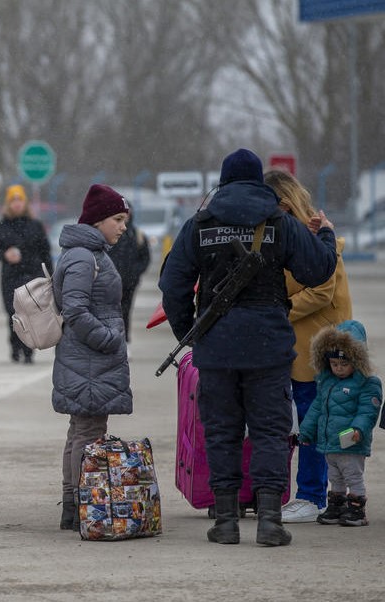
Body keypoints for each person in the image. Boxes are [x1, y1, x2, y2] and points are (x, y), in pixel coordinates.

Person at [159, 148, 338, 547]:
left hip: (217, 349)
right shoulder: (280, 223)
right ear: (259, 181)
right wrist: (325, 233)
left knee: (221, 432)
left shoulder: (199, 224)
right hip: (268, 347)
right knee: (270, 432)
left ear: (222, 182)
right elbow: (318, 269)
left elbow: (172, 285)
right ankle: (270, 521)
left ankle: (225, 521)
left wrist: (190, 332)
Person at [263, 169, 353, 524]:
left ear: (284, 205)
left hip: (318, 349)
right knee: (293, 425)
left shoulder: (318, 237)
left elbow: (321, 290)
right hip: (295, 347)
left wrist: (274, 310)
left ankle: (312, 496)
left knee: (313, 426)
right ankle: (297, 493)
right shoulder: (292, 237)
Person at [51, 184, 133, 531]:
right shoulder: (85, 256)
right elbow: (75, 310)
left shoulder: (90, 252)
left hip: (89, 358)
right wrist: (109, 339)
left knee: (80, 430)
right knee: (88, 431)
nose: (123, 226)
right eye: (117, 219)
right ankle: (82, 505)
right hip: (89, 358)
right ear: (99, 220)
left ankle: (73, 506)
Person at [299, 319, 381, 527]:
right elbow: (316, 409)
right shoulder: (326, 381)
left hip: (351, 442)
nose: (339, 369)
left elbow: (367, 411)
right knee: (335, 475)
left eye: (344, 364)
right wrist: (306, 432)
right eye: (334, 364)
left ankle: (356, 508)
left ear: (357, 360)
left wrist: (358, 429)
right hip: (330, 441)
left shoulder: (368, 383)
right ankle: (337, 504)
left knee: (353, 475)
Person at [0, 184, 53, 364]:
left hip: (32, 275)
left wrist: (51, 277)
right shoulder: (2, 226)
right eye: (13, 200)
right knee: (13, 314)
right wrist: (5, 254)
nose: (16, 204)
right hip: (10, 276)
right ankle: (15, 347)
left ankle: (28, 350)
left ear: (25, 203)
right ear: (8, 204)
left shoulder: (35, 225)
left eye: (19, 200)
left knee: (31, 314)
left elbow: (45, 252)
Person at [105, 201, 151, 344]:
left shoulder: (137, 234)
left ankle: (125, 341)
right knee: (111, 313)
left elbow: (145, 258)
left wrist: (135, 273)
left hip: (129, 282)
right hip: (110, 282)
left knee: (126, 311)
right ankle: (113, 339)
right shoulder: (109, 234)